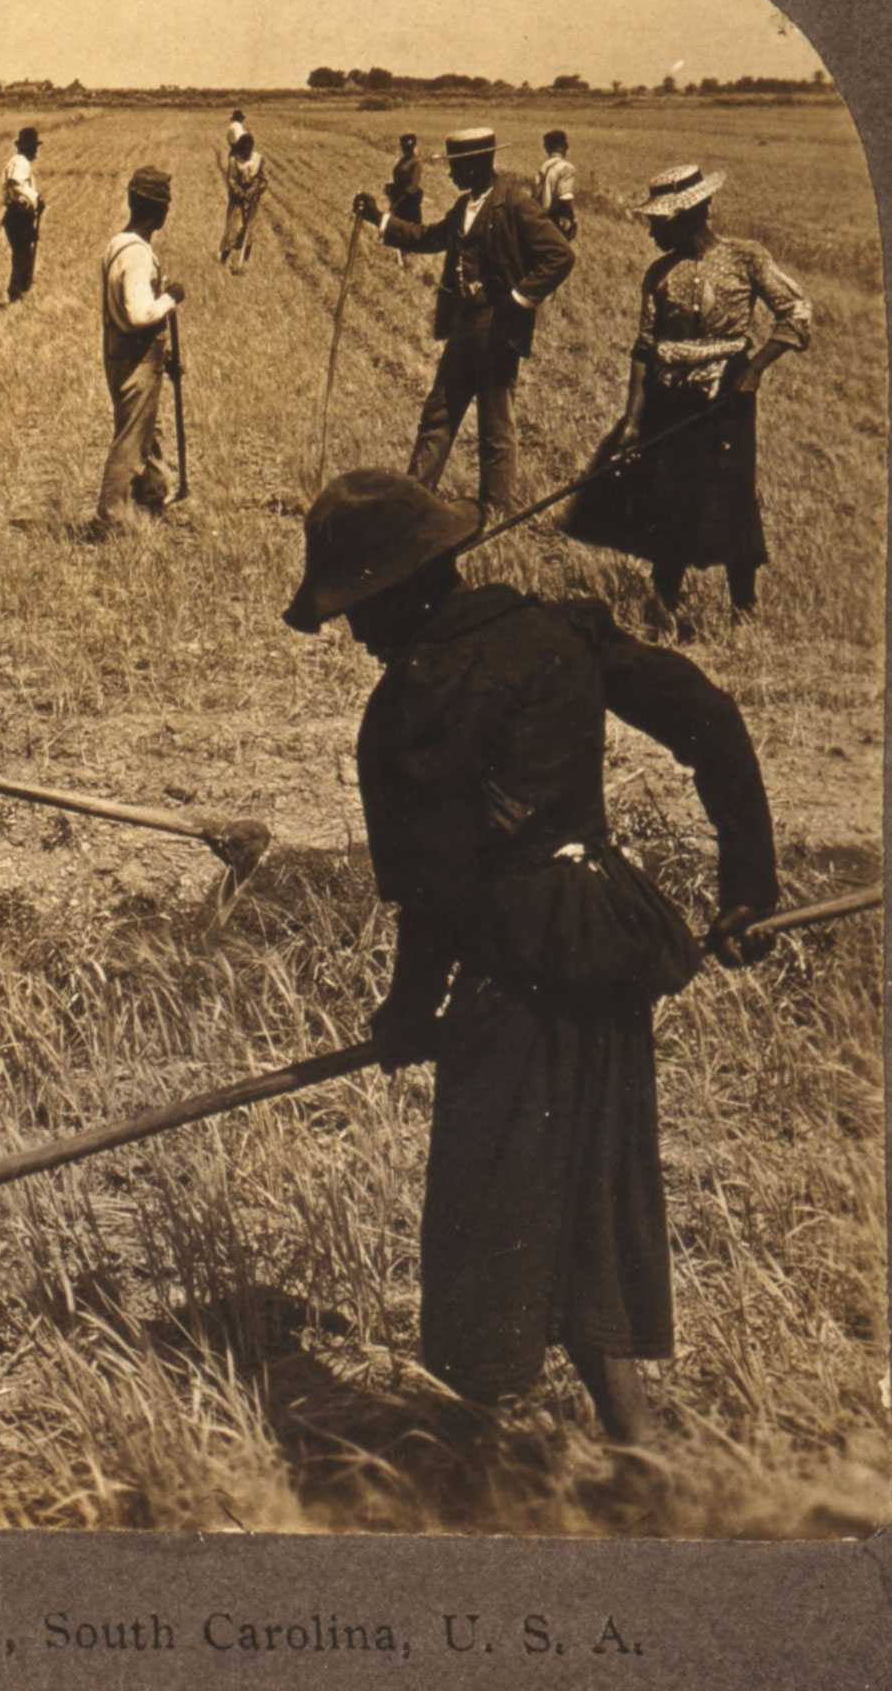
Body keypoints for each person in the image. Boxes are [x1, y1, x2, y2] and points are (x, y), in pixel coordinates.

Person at [283, 467, 778, 1445]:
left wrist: (408, 1011)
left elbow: (434, 895)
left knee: (485, 1222)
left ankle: (487, 1467)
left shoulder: (403, 713)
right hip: (605, 945)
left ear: (403, 589)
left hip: (515, 975)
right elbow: (711, 719)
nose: (355, 632)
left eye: (357, 608)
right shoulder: (561, 632)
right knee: (593, 1192)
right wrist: (748, 884)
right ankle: (636, 1446)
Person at [561, 164, 811, 637]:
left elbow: (796, 311)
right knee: (668, 496)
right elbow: (643, 348)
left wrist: (755, 370)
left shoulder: (746, 258)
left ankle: (744, 609)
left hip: (727, 396)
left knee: (729, 493)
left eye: (660, 221)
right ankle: (663, 607)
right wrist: (632, 421)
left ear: (691, 215)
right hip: (667, 397)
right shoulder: (658, 274)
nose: (652, 228)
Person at [353, 127, 574, 517]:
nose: (451, 175)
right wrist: (379, 220)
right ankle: (414, 500)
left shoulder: (516, 204)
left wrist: (518, 300)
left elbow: (560, 255)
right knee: (439, 412)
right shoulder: (463, 206)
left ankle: (496, 510)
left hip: (500, 330)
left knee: (495, 423)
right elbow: (428, 237)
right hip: (465, 327)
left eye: (457, 167)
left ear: (477, 165)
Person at [95, 166, 186, 533]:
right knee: (131, 439)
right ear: (156, 209)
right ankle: (111, 518)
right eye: (166, 204)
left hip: (121, 349)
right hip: (135, 352)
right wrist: (170, 299)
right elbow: (138, 313)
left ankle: (152, 495)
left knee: (146, 430)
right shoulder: (137, 254)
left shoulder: (118, 244)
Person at [2, 126, 45, 304]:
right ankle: (16, 294)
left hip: (18, 214)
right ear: (26, 147)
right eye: (34, 146)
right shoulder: (21, 162)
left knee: (23, 255)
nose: (36, 150)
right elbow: (16, 183)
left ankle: (19, 292)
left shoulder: (17, 161)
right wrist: (36, 197)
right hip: (18, 214)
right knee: (22, 256)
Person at [218, 130, 266, 271]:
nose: (247, 151)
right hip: (238, 200)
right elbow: (231, 180)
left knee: (249, 229)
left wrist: (255, 190)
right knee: (233, 229)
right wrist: (241, 193)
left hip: (252, 200)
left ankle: (244, 262)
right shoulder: (234, 160)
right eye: (244, 149)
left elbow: (263, 179)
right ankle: (223, 260)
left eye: (249, 148)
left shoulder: (258, 159)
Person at [535, 130, 578, 239]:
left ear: (547, 148)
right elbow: (565, 197)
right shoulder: (566, 168)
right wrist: (569, 220)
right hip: (555, 219)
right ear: (563, 147)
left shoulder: (543, 167)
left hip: (540, 219)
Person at [385, 131, 424, 225]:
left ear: (413, 147)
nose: (405, 149)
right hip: (398, 202)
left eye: (409, 147)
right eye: (404, 147)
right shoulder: (402, 161)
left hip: (408, 205)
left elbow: (413, 186)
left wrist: (397, 202)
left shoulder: (416, 163)